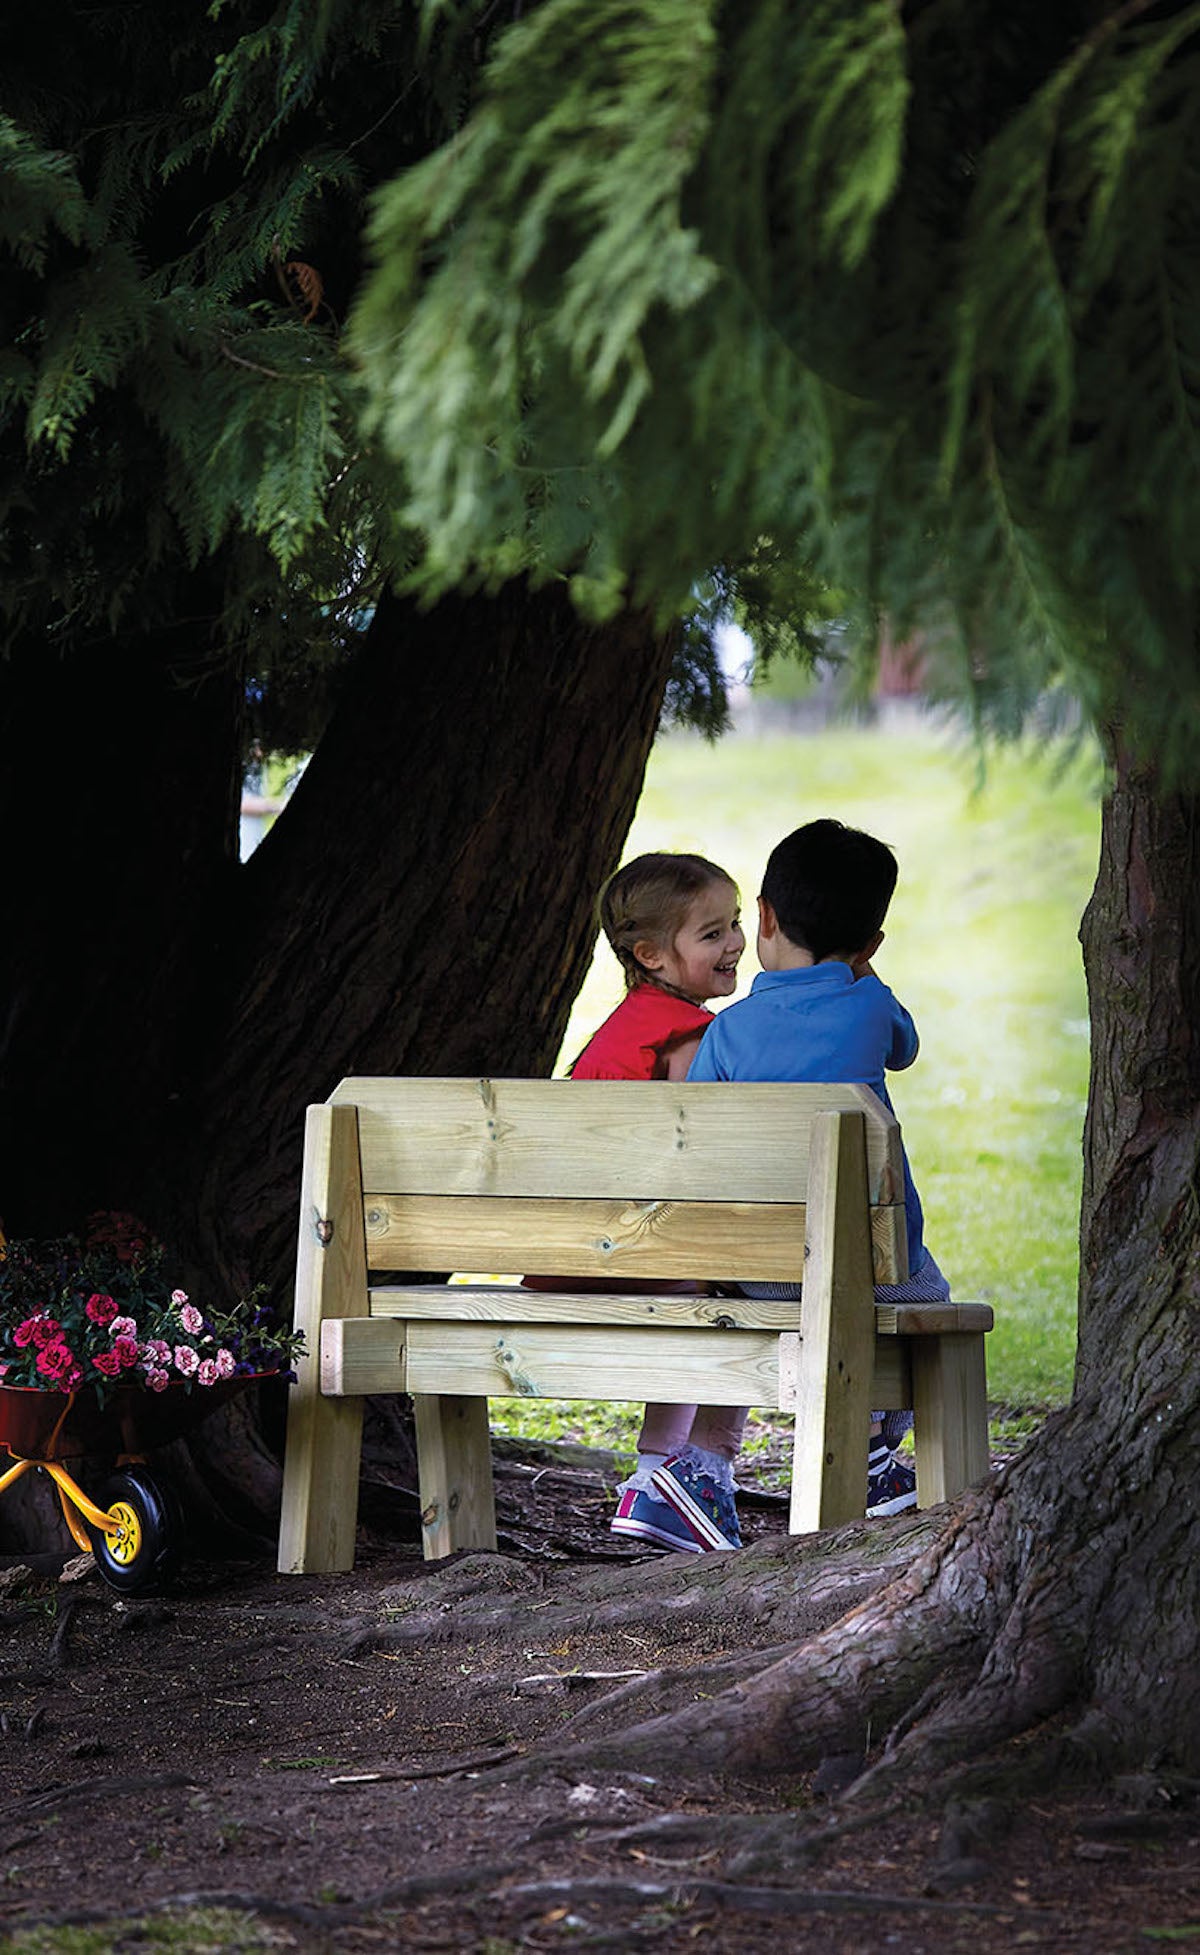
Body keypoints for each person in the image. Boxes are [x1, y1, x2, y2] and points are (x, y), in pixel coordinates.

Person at [687, 818, 951, 1518]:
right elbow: (907, 1046)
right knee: (931, 1296)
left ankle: (726, 1463)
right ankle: (871, 1451)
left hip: (759, 1264)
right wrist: (865, 970)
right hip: (875, 1265)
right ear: (870, 944)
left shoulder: (727, 1029)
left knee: (830, 1291)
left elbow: (695, 1131)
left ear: (765, 917)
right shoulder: (870, 1003)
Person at [566, 852, 750, 1554]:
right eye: (711, 934)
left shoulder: (627, 1024)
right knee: (743, 1285)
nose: (733, 942)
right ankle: (696, 1471)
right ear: (652, 954)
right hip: (632, 1254)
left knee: (714, 1272)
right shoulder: (688, 1035)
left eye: (734, 924)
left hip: (567, 1250)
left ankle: (657, 1476)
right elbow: (702, 1156)